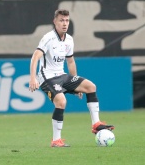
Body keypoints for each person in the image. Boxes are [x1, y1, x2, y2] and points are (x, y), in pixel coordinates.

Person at [29, 9, 114, 147]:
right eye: (61, 20)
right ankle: (56, 140)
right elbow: (35, 57)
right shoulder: (48, 38)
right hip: (47, 77)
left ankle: (96, 124)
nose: (64, 23)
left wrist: (75, 84)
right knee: (61, 101)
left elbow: (70, 61)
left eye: (67, 20)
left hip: (62, 75)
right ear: (55, 21)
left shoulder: (69, 39)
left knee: (90, 87)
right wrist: (33, 78)